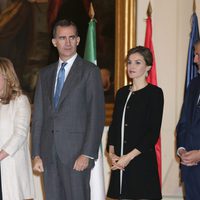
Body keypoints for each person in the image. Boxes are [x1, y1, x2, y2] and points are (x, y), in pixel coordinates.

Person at [31, 19, 105, 200]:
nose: (68, 43)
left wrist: (87, 154)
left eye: (72, 37)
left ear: (78, 40)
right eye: (62, 38)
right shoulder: (45, 74)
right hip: (48, 156)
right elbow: (39, 117)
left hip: (76, 155)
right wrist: (36, 154)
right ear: (54, 42)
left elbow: (96, 116)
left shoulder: (89, 71)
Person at [107, 46, 164, 200]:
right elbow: (114, 126)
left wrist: (128, 158)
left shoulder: (155, 94)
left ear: (148, 67)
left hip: (142, 163)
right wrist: (112, 154)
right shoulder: (122, 93)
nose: (131, 66)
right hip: (120, 164)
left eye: (137, 62)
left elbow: (152, 133)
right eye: (129, 62)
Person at [0, 57, 35, 200]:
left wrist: (1, 154)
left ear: (7, 77)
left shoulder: (20, 101)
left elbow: (20, 134)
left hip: (10, 164)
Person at [176, 39, 200, 199]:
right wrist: (182, 149)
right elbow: (183, 123)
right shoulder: (194, 84)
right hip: (190, 170)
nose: (194, 60)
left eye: (198, 55)